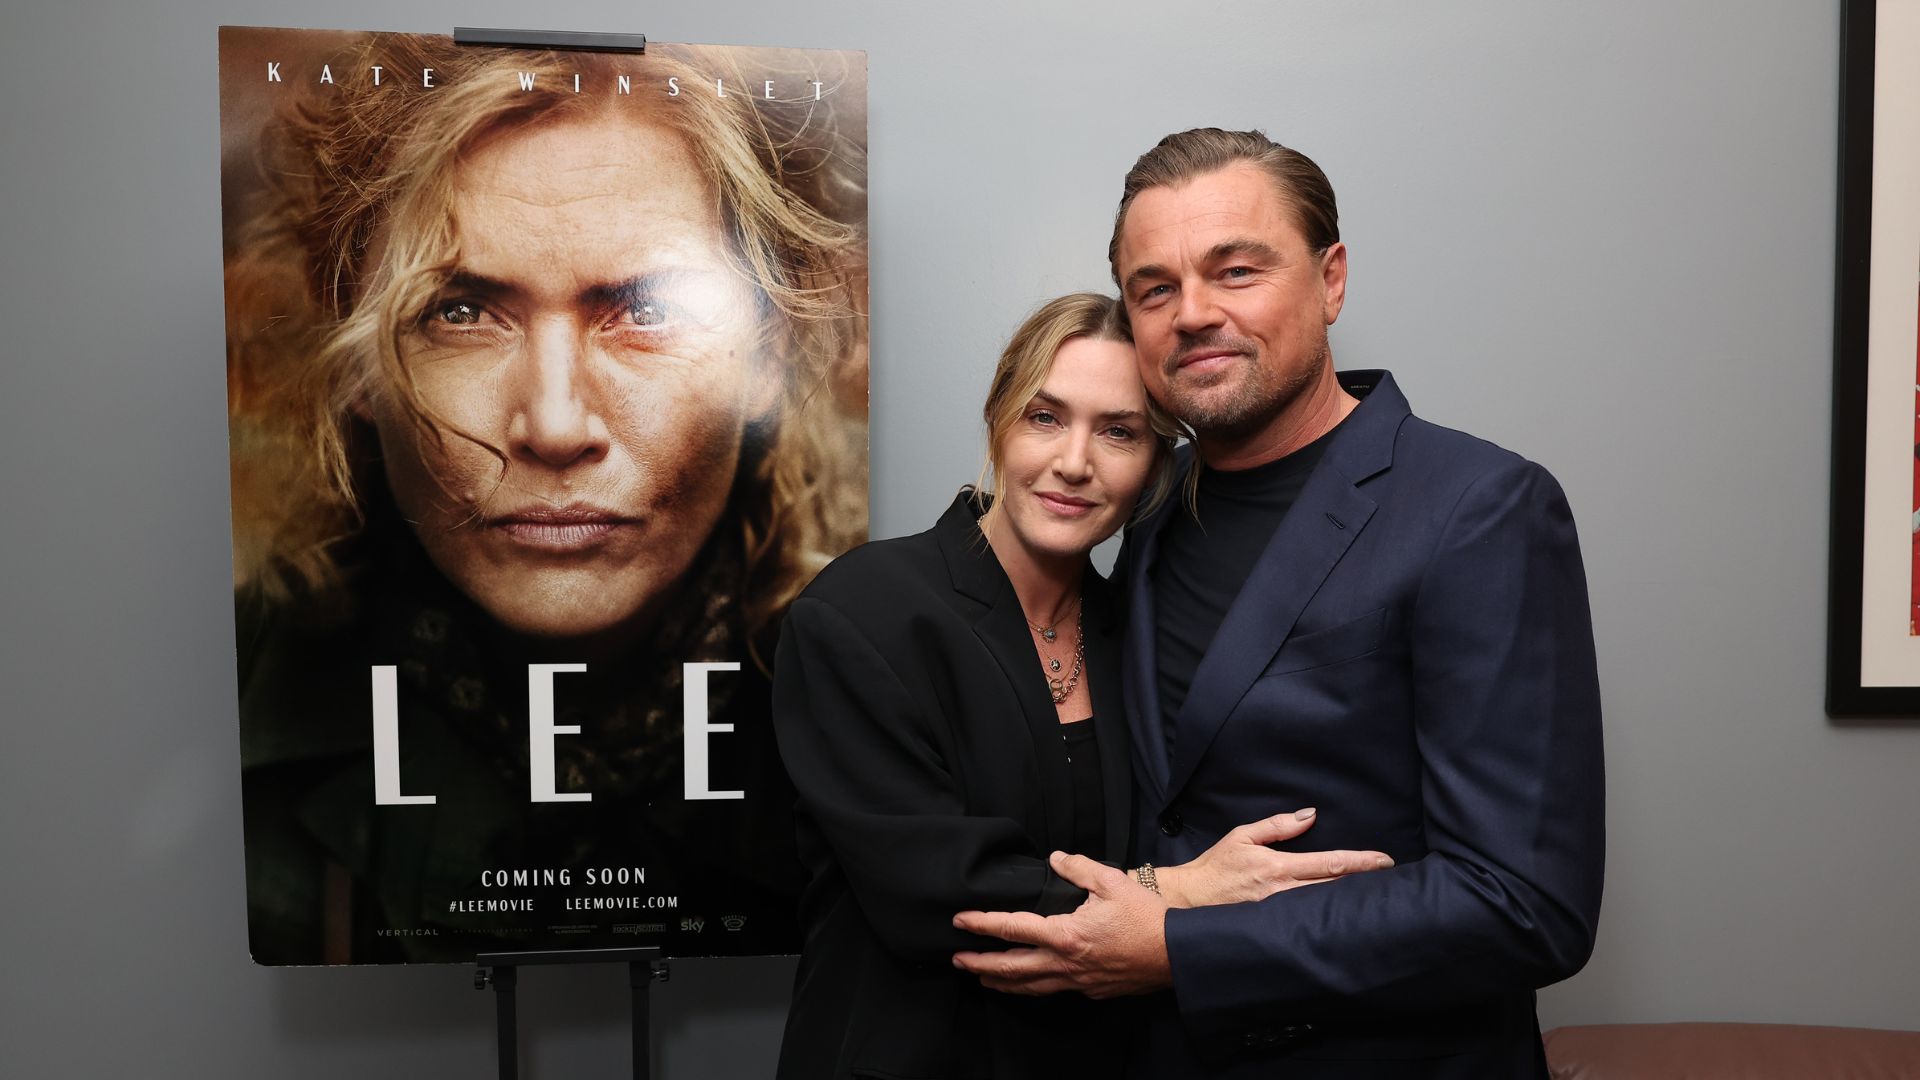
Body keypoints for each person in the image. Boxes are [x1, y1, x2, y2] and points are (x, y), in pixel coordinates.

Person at [953, 129, 1606, 1078]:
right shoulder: (1145, 502)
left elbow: (1525, 902)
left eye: (1237, 271)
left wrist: (1178, 947)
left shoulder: (1478, 508)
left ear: (1331, 280)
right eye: (1155, 289)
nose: (1194, 313)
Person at [222, 31, 868, 963]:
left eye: (648, 309)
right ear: (359, 358)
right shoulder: (247, 699)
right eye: (462, 311)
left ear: (767, 354)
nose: (557, 425)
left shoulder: (873, 710)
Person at [771, 293, 1395, 1080]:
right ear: (998, 418)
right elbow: (938, 892)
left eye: (1119, 432)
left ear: (1158, 465)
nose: (1074, 462)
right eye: (1044, 417)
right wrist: (1180, 890)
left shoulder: (1135, 631)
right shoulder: (864, 611)